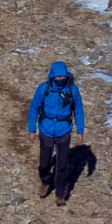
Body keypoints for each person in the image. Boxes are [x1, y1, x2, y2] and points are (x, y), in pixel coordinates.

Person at [26, 61, 87, 205]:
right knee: (44, 163)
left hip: (64, 131)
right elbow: (34, 108)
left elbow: (78, 110)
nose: (60, 79)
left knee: (63, 165)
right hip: (46, 130)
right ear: (52, 76)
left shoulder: (72, 90)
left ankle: (60, 193)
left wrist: (80, 131)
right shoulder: (44, 89)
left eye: (63, 77)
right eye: (57, 77)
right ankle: (46, 181)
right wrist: (31, 130)